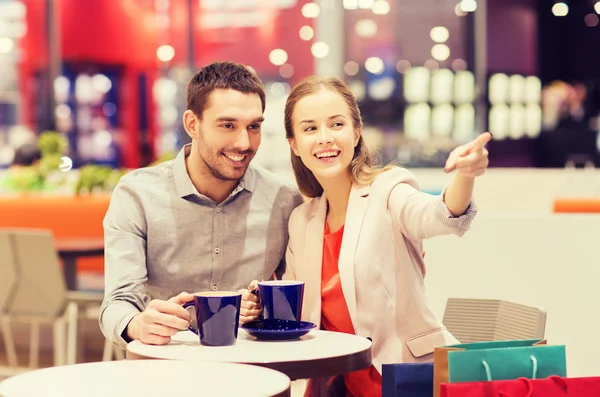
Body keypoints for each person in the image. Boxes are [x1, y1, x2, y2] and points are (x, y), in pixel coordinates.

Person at [241, 76, 490, 396]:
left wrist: (465, 176)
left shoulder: (389, 190)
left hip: (407, 379)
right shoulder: (303, 220)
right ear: (294, 144)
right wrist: (262, 304)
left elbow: (440, 216)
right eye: (310, 128)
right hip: (335, 384)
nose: (325, 138)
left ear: (356, 133)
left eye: (336, 124)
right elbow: (296, 308)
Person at [100, 61, 304, 349]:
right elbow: (117, 305)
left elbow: (293, 300)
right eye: (227, 125)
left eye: (253, 127)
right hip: (164, 370)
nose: (244, 142)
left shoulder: (284, 200)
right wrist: (137, 323)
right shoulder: (137, 195)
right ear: (192, 125)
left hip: (251, 370)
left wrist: (261, 308)